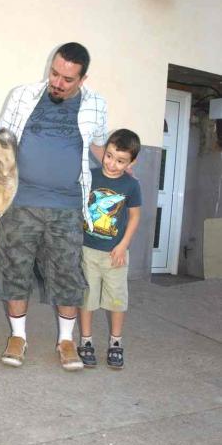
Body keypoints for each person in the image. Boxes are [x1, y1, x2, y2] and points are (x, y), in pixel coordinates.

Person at [0, 42, 108, 370]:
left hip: (67, 206)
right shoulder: (23, 96)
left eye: (67, 79)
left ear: (82, 79)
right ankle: (18, 336)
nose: (57, 82)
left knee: (67, 274)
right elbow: (2, 141)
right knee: (14, 269)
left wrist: (120, 167)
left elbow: (98, 146)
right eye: (54, 73)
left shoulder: (96, 105)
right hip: (21, 202)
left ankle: (66, 340)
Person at [77, 129, 142, 370]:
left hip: (116, 254)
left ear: (131, 163)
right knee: (87, 298)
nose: (112, 164)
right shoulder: (90, 176)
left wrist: (123, 245)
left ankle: (116, 342)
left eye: (121, 161)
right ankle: (86, 340)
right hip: (87, 251)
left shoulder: (131, 185)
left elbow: (134, 217)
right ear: (104, 151)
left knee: (116, 300)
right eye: (109, 156)